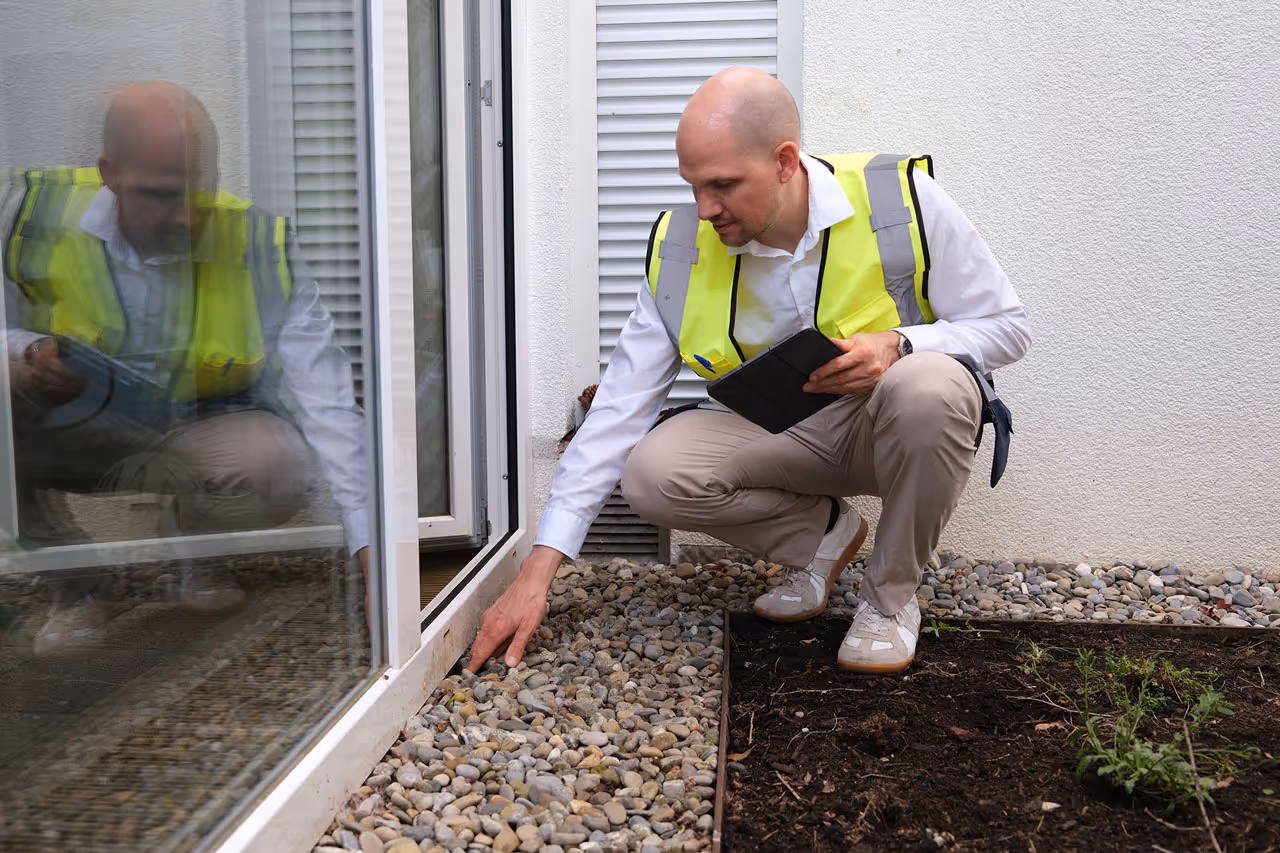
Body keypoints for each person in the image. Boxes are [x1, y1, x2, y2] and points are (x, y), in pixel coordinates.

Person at [468, 67, 1031, 675]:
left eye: (724, 185)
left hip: (896, 429)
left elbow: (1007, 326)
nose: (705, 208)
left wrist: (899, 343)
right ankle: (824, 539)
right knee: (652, 471)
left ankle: (888, 603)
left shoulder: (898, 200)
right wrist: (535, 575)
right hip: (788, 437)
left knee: (932, 385)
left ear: (785, 161)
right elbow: (617, 410)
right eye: (693, 186)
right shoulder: (683, 249)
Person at [2, 81, 370, 654]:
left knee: (279, 464)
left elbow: (325, 395)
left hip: (197, 428)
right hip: (73, 421)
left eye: (195, 190)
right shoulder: (32, 215)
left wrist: (374, 553)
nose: (182, 214)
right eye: (157, 194)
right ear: (109, 173)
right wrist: (26, 351)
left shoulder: (256, 241)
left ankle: (196, 547)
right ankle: (79, 586)